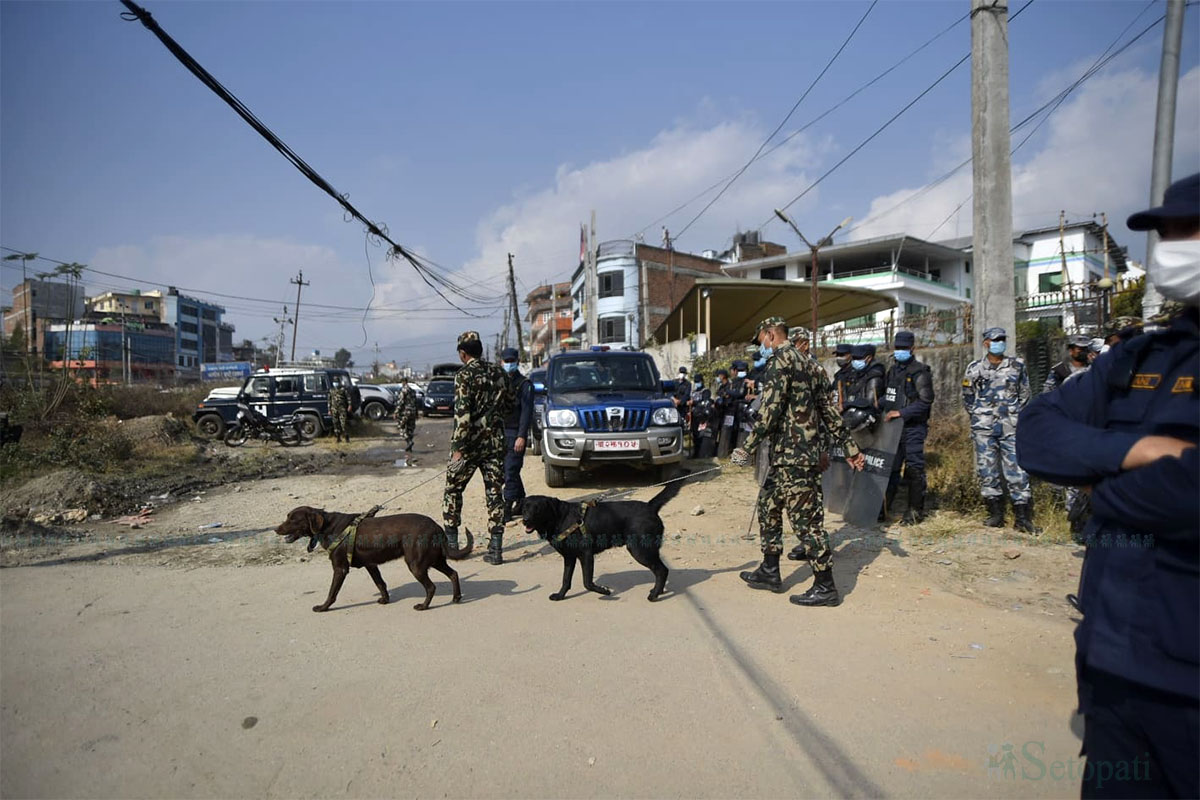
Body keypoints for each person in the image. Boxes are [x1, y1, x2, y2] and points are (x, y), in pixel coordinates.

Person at [1015, 172, 1199, 799]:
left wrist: (1103, 486)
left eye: (1190, 230)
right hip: (1111, 660)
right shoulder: (1143, 356)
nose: (1173, 245)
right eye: (1169, 233)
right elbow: (1036, 432)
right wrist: (1134, 451)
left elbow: (1189, 493)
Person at [731, 317, 865, 607]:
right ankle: (769, 569)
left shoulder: (781, 362)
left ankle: (826, 586)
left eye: (762, 341)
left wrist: (747, 448)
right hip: (787, 457)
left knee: (808, 523)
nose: (762, 346)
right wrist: (850, 446)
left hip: (796, 457)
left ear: (770, 335)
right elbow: (829, 411)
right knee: (768, 506)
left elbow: (770, 410)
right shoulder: (811, 364)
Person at [442, 330, 510, 565]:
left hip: (469, 447)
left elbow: (463, 415)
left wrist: (458, 449)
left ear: (463, 353)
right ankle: (496, 549)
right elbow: (510, 405)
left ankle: (451, 545)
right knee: (495, 494)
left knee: (452, 490)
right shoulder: (499, 372)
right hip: (495, 445)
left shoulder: (463, 376)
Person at [963, 327, 1038, 533]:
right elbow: (967, 397)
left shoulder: (1017, 365)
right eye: (995, 340)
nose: (999, 343)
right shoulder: (974, 368)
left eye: (1002, 339)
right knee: (987, 471)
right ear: (986, 343)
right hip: (984, 428)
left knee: (1017, 471)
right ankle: (995, 514)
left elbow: (1025, 395)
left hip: (1010, 427)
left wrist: (1013, 416)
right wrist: (981, 415)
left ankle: (1022, 518)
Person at [883, 331, 935, 524]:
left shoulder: (920, 372)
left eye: (904, 348)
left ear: (913, 348)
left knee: (914, 469)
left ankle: (914, 511)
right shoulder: (893, 371)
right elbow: (888, 397)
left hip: (913, 427)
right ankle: (885, 508)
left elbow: (925, 401)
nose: (900, 351)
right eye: (897, 348)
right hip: (894, 428)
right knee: (892, 468)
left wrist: (901, 413)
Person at [499, 347, 533, 524]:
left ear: (518, 362)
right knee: (507, 470)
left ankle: (507, 507)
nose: (509, 364)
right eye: (506, 361)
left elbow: (526, 413)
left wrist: (522, 436)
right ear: (501, 362)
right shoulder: (499, 383)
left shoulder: (524, 385)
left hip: (515, 433)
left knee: (510, 470)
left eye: (512, 361)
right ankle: (521, 501)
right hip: (500, 433)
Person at [842, 344, 886, 429]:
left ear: (869, 358)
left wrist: (848, 404)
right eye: (853, 358)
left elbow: (870, 402)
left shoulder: (875, 375)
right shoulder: (855, 373)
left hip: (871, 422)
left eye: (858, 358)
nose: (854, 361)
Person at [393, 375, 418, 451]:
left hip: (405, 412)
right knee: (410, 428)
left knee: (401, 428)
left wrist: (396, 412)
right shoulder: (413, 391)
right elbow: (415, 403)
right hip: (412, 412)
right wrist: (416, 413)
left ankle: (409, 442)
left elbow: (401, 402)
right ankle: (409, 446)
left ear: (403, 382)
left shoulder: (404, 390)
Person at [830, 342, 853, 411]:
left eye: (842, 355)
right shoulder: (838, 374)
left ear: (850, 355)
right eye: (837, 355)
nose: (839, 357)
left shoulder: (855, 373)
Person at [328, 378, 352, 444]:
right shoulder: (331, 390)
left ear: (339, 382)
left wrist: (350, 405)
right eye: (334, 382)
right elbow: (329, 400)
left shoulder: (343, 390)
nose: (335, 383)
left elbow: (348, 398)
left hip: (342, 409)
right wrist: (329, 409)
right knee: (336, 424)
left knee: (343, 424)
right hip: (334, 409)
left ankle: (347, 438)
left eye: (337, 382)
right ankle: (338, 438)